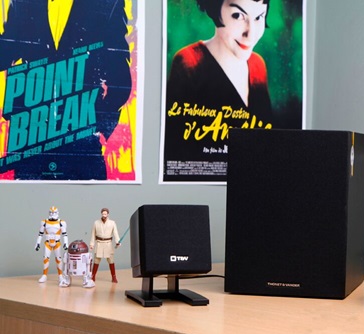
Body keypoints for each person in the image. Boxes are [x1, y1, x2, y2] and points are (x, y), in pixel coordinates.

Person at [0, 0, 132, 180]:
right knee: (30, 196)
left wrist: (101, 125)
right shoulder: (22, 2)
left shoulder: (107, 3)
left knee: (86, 196)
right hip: (32, 137)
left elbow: (120, 78)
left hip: (81, 140)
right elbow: (6, 51)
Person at [163, 0, 273, 179]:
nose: (250, 34)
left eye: (259, 17)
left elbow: (267, 145)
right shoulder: (189, 63)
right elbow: (176, 152)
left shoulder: (258, 66)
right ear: (216, 10)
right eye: (238, 16)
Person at [35, 206, 68, 285]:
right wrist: (37, 243)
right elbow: (40, 234)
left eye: (54, 212)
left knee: (58, 259)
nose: (53, 214)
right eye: (51, 213)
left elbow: (65, 234)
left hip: (57, 242)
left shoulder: (61, 222)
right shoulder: (44, 222)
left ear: (57, 213)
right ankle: (44, 275)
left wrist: (66, 243)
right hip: (48, 242)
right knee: (45, 259)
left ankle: (60, 275)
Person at [89, 208, 121, 283]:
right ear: (101, 214)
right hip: (99, 243)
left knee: (111, 260)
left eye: (105, 214)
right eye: (103, 214)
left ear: (108, 214)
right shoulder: (96, 223)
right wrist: (92, 244)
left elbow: (115, 233)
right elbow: (93, 234)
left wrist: (117, 241)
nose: (104, 215)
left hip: (108, 244)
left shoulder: (112, 223)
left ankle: (114, 277)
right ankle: (93, 276)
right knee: (96, 260)